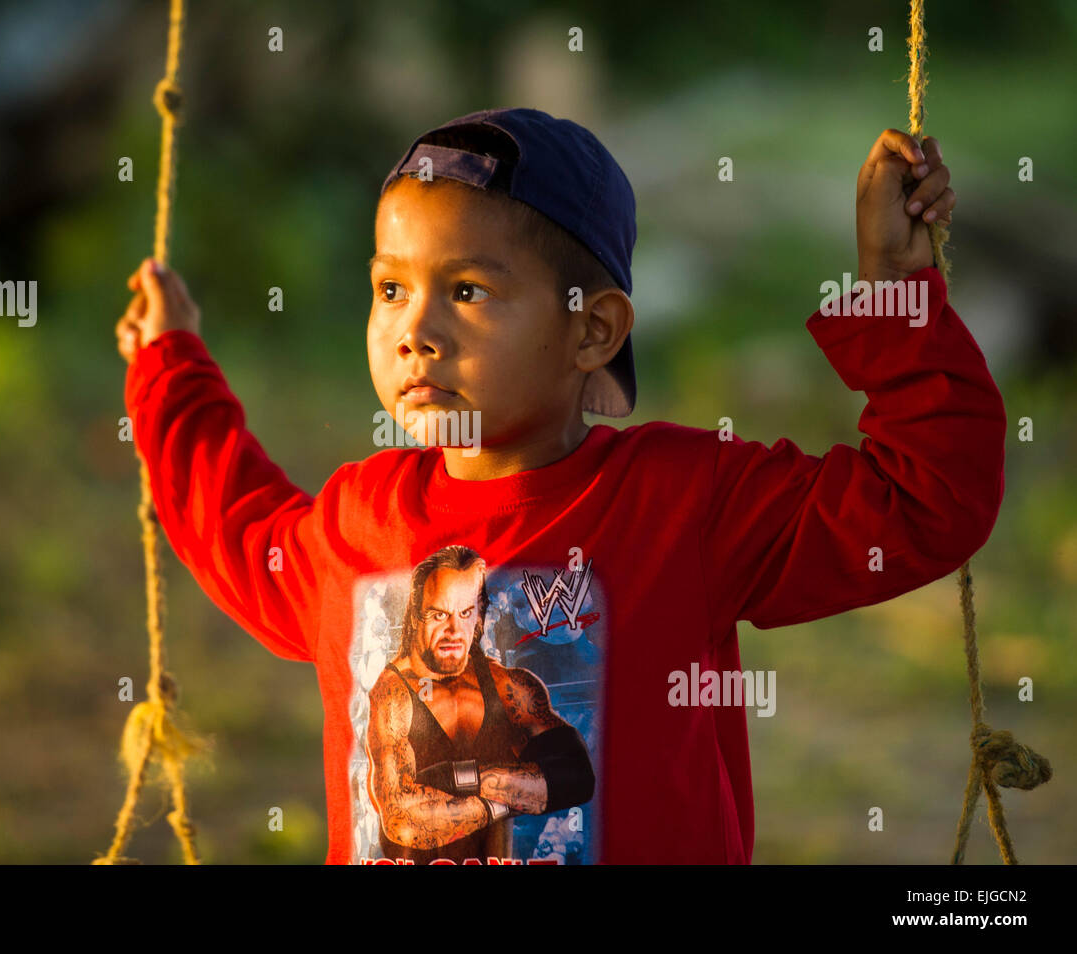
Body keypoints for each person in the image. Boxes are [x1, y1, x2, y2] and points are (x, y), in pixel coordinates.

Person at [114, 107, 997, 864]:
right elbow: (237, 524)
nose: (414, 330)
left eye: (465, 290)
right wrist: (170, 368)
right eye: (390, 288)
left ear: (594, 330)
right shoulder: (361, 522)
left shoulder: (687, 504)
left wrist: (895, 294)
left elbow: (923, 501)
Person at [363, 544, 594, 864]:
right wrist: (514, 797)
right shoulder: (393, 693)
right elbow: (403, 819)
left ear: (480, 614)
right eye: (439, 614)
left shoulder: (508, 685)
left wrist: (461, 779)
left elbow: (575, 776)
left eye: (466, 613)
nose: (453, 631)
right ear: (416, 615)